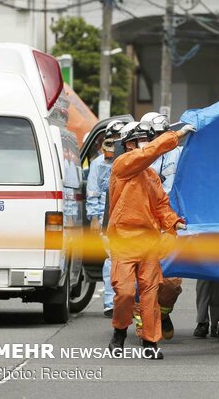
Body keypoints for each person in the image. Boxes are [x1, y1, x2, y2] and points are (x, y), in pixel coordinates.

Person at [106, 120, 196, 360]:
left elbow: (161, 206)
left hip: (148, 241)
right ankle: (119, 332)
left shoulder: (151, 177)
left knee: (149, 293)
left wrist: (173, 221)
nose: (146, 144)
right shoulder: (122, 166)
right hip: (124, 240)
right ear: (128, 145)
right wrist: (174, 136)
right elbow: (149, 152)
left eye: (147, 139)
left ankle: (150, 341)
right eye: (142, 139)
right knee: (124, 292)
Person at [130, 112, 185, 341]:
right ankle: (144, 326)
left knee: (171, 282)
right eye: (153, 135)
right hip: (141, 226)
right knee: (140, 278)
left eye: (164, 133)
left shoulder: (180, 153)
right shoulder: (137, 158)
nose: (159, 138)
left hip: (170, 223)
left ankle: (163, 314)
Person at [86, 120, 124, 317]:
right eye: (112, 140)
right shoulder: (99, 164)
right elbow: (93, 190)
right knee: (112, 259)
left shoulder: (131, 158)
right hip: (106, 216)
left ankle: (128, 301)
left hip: (128, 216)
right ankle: (110, 303)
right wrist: (94, 217)